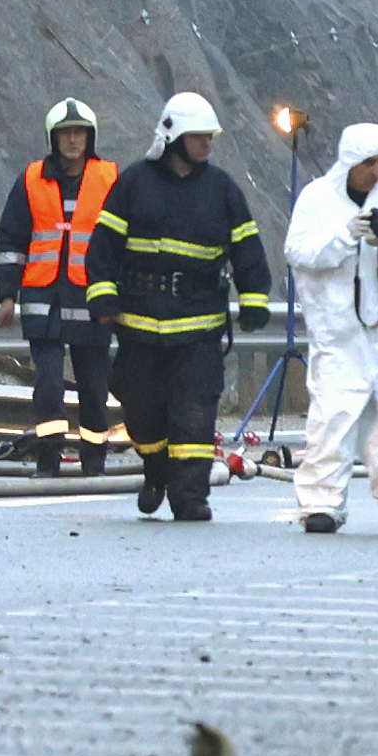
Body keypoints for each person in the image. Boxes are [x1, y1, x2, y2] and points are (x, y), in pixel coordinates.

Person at [84, 93, 273, 521]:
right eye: (199, 137)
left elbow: (247, 247)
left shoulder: (222, 190)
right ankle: (156, 470)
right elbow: (104, 247)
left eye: (210, 137)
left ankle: (190, 496)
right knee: (142, 410)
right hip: (139, 323)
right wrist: (102, 294)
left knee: (195, 411)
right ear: (172, 137)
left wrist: (254, 298)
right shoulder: (133, 183)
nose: (207, 144)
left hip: (199, 325)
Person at [284, 123, 378, 534]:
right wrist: (344, 238)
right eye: (369, 163)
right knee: (332, 419)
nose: (376, 171)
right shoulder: (316, 198)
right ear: (349, 161)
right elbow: (297, 250)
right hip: (339, 333)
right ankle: (321, 504)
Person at [0, 99, 118, 475]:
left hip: (91, 300)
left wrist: (120, 296)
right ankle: (48, 459)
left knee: (94, 388)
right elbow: (11, 240)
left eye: (80, 132)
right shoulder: (31, 179)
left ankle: (93, 460)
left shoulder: (110, 179)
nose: (73, 140)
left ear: (90, 137)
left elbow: (124, 241)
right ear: (54, 137)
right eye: (66, 133)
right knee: (47, 386)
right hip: (42, 300)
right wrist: (6, 295)